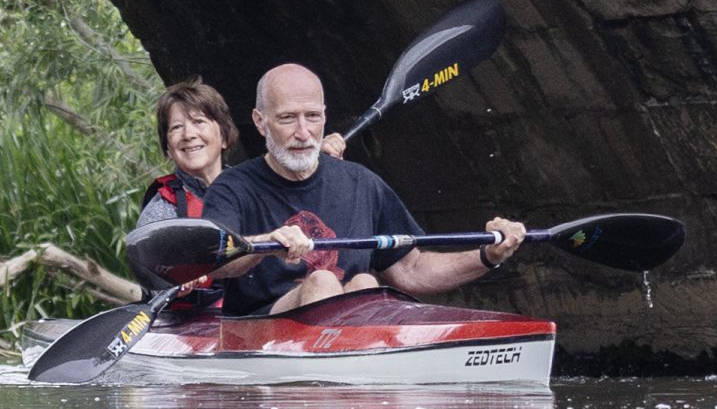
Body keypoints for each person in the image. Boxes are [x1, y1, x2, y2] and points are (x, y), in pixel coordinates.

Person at [202, 63, 524, 315]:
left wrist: (488, 255)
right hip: (259, 331)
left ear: (325, 117)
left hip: (348, 325)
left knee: (365, 282)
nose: (303, 132)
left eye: (312, 117)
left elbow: (411, 269)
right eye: (288, 118)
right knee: (324, 281)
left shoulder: (361, 182)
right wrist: (267, 242)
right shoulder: (232, 187)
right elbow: (214, 262)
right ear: (260, 122)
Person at [130, 79, 342, 295]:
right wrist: (175, 281)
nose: (188, 134)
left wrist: (317, 163)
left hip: (266, 313)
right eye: (176, 127)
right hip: (195, 322)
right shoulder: (161, 210)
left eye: (199, 122)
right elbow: (152, 281)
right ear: (168, 147)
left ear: (223, 136)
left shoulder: (254, 187)